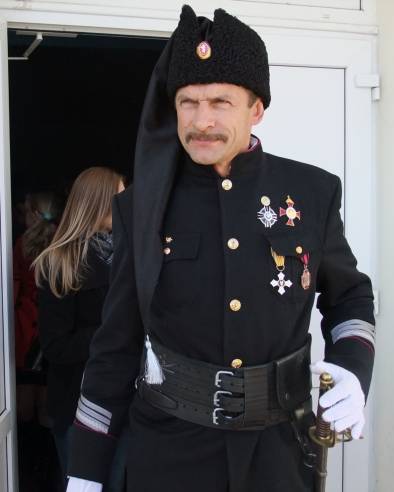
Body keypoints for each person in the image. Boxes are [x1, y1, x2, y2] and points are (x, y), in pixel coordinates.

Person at [66, 6, 375, 492]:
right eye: (188, 102)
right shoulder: (140, 207)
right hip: (169, 454)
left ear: (257, 109)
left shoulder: (312, 193)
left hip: (280, 452)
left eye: (220, 102)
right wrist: (86, 468)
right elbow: (116, 345)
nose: (201, 121)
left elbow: (350, 298)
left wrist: (353, 370)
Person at [33, 167, 125, 488]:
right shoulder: (60, 262)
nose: (127, 205)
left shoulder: (129, 255)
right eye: (120, 198)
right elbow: (56, 346)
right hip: (78, 406)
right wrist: (114, 332)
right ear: (99, 203)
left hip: (125, 403)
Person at [13, 191, 61, 491]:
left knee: (22, 409)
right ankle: (46, 472)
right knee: (46, 407)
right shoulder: (63, 241)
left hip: (25, 329)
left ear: (32, 213)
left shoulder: (21, 244)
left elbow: (14, 287)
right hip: (51, 332)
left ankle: (26, 472)